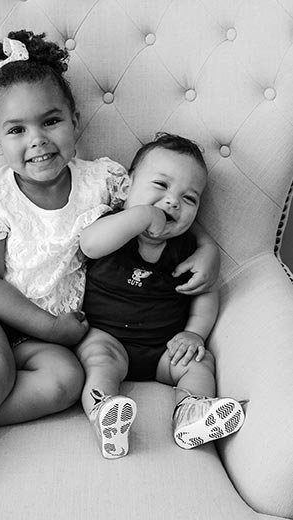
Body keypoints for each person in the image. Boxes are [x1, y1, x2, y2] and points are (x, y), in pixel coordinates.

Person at [0, 32, 219, 519]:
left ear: (75, 122)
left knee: (65, 381)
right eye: (16, 130)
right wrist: (52, 328)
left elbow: (158, 213)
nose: (38, 140)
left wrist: (207, 248)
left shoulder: (105, 179)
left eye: (51, 121)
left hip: (40, 334)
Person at [76, 133, 245, 459]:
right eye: (161, 185)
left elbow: (204, 292)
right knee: (99, 360)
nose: (173, 201)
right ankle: (105, 413)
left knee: (199, 361)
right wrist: (139, 215)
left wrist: (194, 333)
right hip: (106, 337)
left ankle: (190, 413)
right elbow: (89, 245)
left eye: (189, 198)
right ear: (127, 188)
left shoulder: (189, 250)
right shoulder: (112, 226)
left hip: (165, 348)